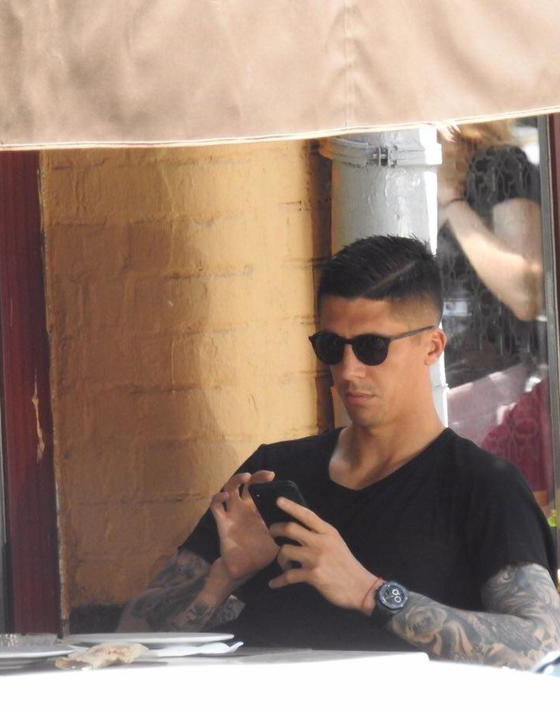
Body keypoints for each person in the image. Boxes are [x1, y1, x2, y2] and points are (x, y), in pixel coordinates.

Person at [119, 235, 560, 669]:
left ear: (432, 347)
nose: (348, 370)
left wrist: (370, 593)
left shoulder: (481, 486)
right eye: (331, 347)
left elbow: (542, 643)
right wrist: (225, 576)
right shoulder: (273, 472)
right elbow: (131, 637)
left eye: (372, 347)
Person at [436, 122, 552, 497]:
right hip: (432, 394)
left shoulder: (497, 165)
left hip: (489, 392)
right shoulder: (402, 168)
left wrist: (451, 203)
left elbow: (525, 293)